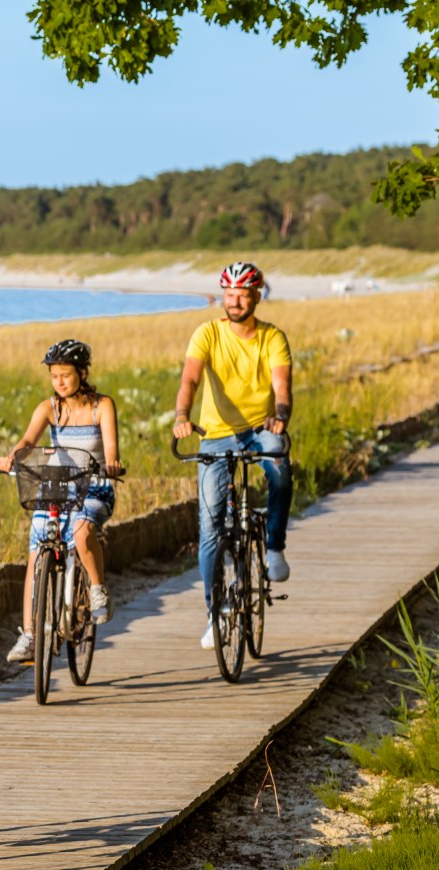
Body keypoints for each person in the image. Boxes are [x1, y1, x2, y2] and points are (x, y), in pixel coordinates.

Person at [173, 261, 295, 649]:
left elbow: (282, 387)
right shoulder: (207, 333)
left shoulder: (273, 338)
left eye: (243, 294)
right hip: (215, 435)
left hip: (261, 429)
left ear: (258, 296)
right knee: (209, 527)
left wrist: (280, 417)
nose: (235, 301)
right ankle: (215, 614)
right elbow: (190, 378)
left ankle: (273, 546)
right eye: (229, 294)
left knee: (279, 464)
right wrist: (182, 417)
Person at [0, 339, 125, 662]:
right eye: (54, 376)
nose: (60, 382)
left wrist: (111, 463)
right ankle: (29, 633)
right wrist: (12, 457)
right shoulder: (49, 409)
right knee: (37, 550)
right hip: (56, 489)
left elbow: (111, 448)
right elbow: (28, 440)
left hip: (95, 487)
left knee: (82, 532)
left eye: (66, 375)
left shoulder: (102, 406)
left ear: (82, 373)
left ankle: (97, 589)